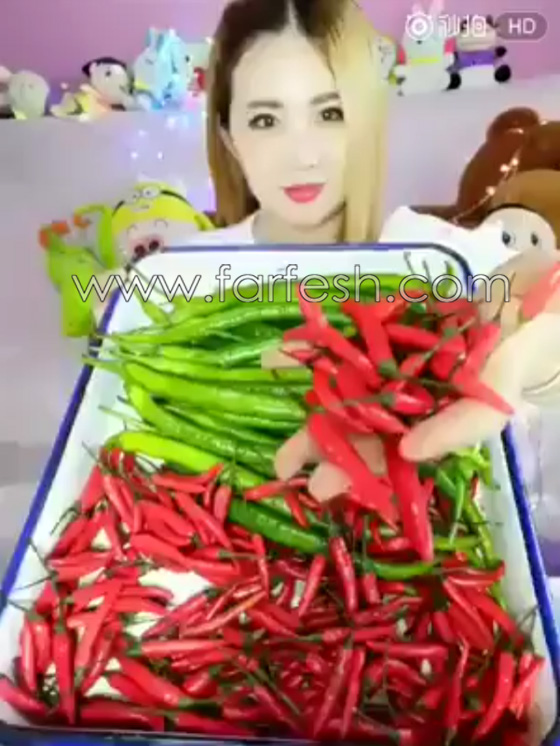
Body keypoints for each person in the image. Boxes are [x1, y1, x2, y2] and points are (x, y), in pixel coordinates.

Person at [182, 0, 560, 498]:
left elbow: (528, 303)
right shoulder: (182, 274)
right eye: (266, 120)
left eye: (331, 113)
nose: (303, 155)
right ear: (229, 137)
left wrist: (538, 359)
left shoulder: (434, 257)